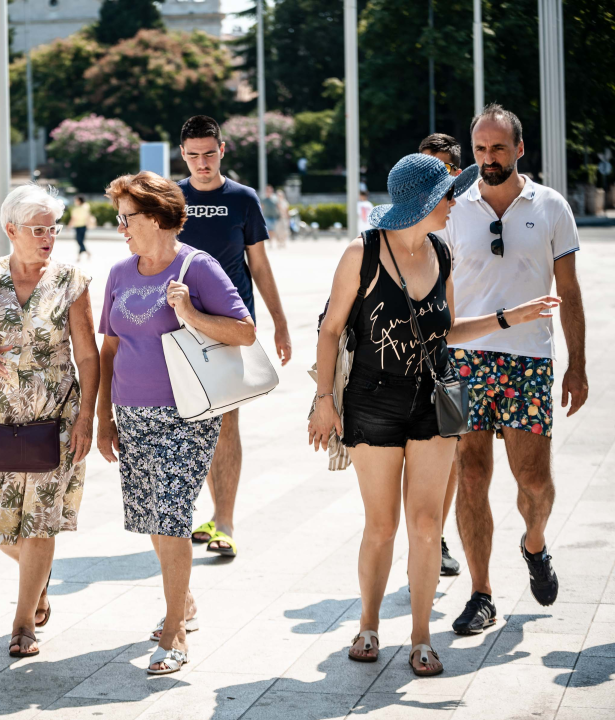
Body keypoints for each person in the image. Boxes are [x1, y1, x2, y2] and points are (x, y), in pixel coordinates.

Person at [309, 153, 559, 676]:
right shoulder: (364, 252)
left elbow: (444, 332)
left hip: (433, 401)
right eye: (448, 195)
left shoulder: (442, 252)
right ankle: (369, 625)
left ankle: (421, 636)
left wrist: (511, 316)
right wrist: (323, 402)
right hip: (372, 400)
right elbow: (331, 329)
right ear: (423, 203)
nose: (454, 203)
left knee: (425, 524)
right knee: (381, 525)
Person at [96, 171, 256, 675]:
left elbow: (245, 332)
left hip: (183, 414)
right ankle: (182, 602)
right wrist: (103, 417)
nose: (120, 227)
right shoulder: (121, 273)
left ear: (159, 217)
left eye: (127, 217)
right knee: (152, 515)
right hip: (130, 412)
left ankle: (174, 630)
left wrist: (187, 310)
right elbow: (110, 346)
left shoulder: (197, 267)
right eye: (118, 217)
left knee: (170, 514)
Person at [445, 104, 588, 636]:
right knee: (472, 473)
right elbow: (441, 288)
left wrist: (577, 365)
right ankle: (481, 592)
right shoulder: (455, 209)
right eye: (480, 149)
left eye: (498, 148)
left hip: (530, 359)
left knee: (534, 479)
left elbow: (569, 292)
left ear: (520, 149)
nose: (488, 158)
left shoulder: (551, 206)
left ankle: (534, 543)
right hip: (464, 360)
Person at [0, 184, 101, 658]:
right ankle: (38, 582)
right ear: (11, 230)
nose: (48, 236)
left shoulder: (71, 281)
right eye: (37, 229)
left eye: (52, 228)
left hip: (54, 416)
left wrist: (87, 419)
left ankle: (23, 624)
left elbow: (89, 357)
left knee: (40, 522)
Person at [176, 115, 292, 559]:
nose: (202, 163)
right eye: (192, 155)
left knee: (226, 421)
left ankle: (223, 520)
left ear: (222, 150)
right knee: (184, 420)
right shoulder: (172, 198)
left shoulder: (243, 199)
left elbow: (259, 265)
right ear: (183, 155)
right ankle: (181, 516)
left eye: (209, 153)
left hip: (229, 324)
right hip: (179, 325)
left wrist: (280, 323)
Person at [417, 132, 464, 577]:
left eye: (442, 169)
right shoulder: (409, 218)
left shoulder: (467, 211)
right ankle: (432, 539)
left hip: (470, 343)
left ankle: (440, 531)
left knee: (456, 456)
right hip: (423, 354)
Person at [69, 195, 92, 261]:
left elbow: (73, 218)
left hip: (79, 226)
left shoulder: (76, 209)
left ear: (79, 201)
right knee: (80, 241)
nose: (75, 201)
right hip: (83, 226)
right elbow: (88, 215)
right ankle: (84, 254)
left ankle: (83, 254)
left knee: (79, 241)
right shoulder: (86, 206)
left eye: (76, 200)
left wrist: (69, 226)